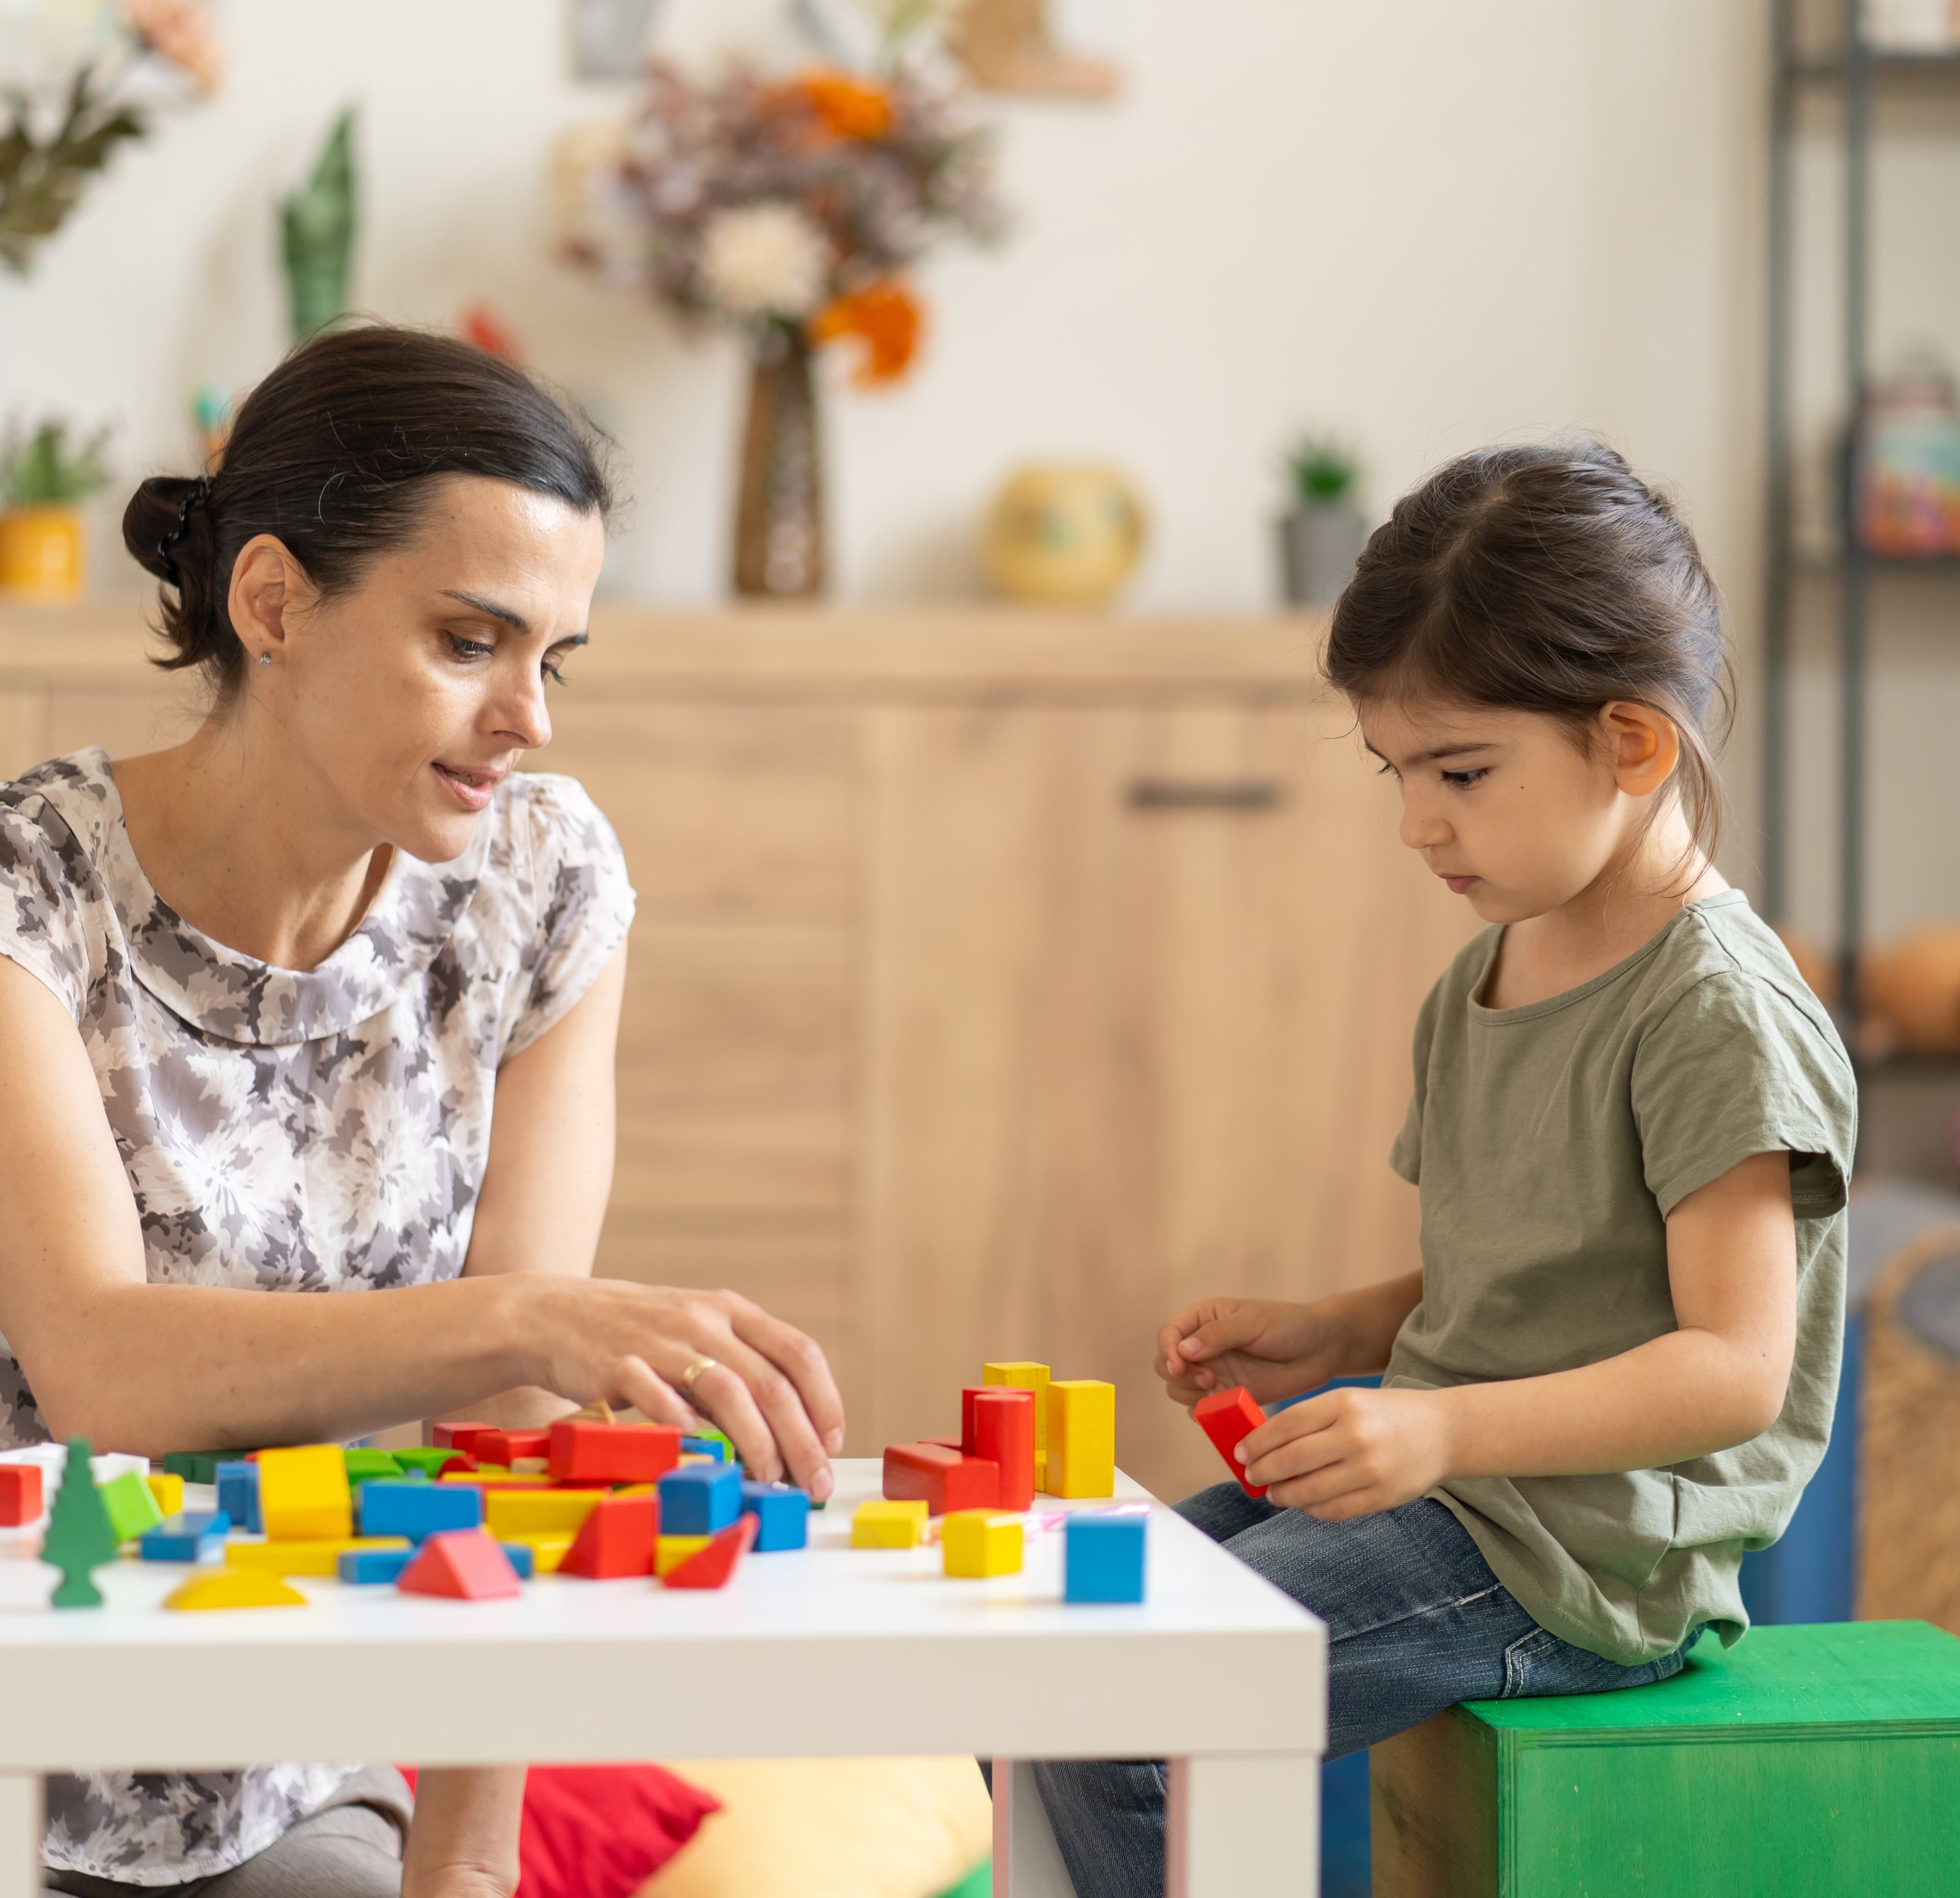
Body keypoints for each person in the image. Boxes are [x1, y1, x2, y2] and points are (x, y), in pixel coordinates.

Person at [0, 326, 845, 1898]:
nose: (531, 716)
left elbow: (516, 1437)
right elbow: (102, 1367)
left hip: (281, 1770)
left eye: (556, 658)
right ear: (272, 605)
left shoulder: (540, 883)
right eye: (471, 641)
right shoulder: (29, 896)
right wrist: (528, 1317)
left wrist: (461, 1869)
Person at [1033, 443, 1857, 1896]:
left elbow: (1734, 1365)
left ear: (1632, 743)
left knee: (1126, 1713)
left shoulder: (1715, 1007)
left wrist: (1442, 1431)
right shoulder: (1495, 969)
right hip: (1469, 1499)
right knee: (1057, 1645)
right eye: (1397, 773)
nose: (1418, 822)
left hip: (1581, 1559)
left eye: (1460, 772)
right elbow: (1547, 1259)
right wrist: (1345, 1332)